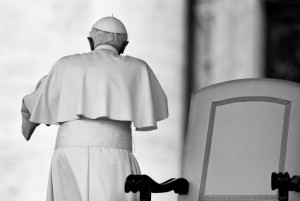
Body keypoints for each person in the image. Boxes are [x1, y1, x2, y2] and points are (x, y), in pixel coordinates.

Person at [21, 16, 168, 201]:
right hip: (116, 159)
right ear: (124, 45)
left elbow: (37, 102)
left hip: (68, 157)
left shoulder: (66, 64)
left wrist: (31, 119)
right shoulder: (139, 68)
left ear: (90, 41)